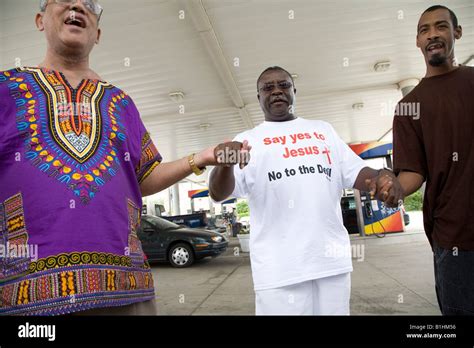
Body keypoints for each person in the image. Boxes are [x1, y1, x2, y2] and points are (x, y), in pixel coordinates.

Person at [0, 0, 244, 316]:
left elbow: (144, 176)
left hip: (127, 291)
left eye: (89, 3)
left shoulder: (121, 103)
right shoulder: (6, 90)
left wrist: (202, 157)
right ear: (39, 20)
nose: (77, 4)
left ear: (98, 33)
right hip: (27, 298)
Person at [208, 66, 403, 315]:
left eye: (284, 85)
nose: (277, 91)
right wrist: (225, 164)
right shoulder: (248, 140)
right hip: (278, 269)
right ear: (258, 98)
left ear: (294, 91)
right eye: (268, 88)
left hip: (330, 263)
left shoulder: (323, 131)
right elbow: (217, 193)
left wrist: (383, 176)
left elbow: (357, 173)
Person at [392, 5, 474, 315]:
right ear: (417, 41)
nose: (433, 34)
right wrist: (394, 189)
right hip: (454, 238)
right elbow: (413, 171)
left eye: (440, 26)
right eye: (424, 30)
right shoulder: (408, 107)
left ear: (457, 32)